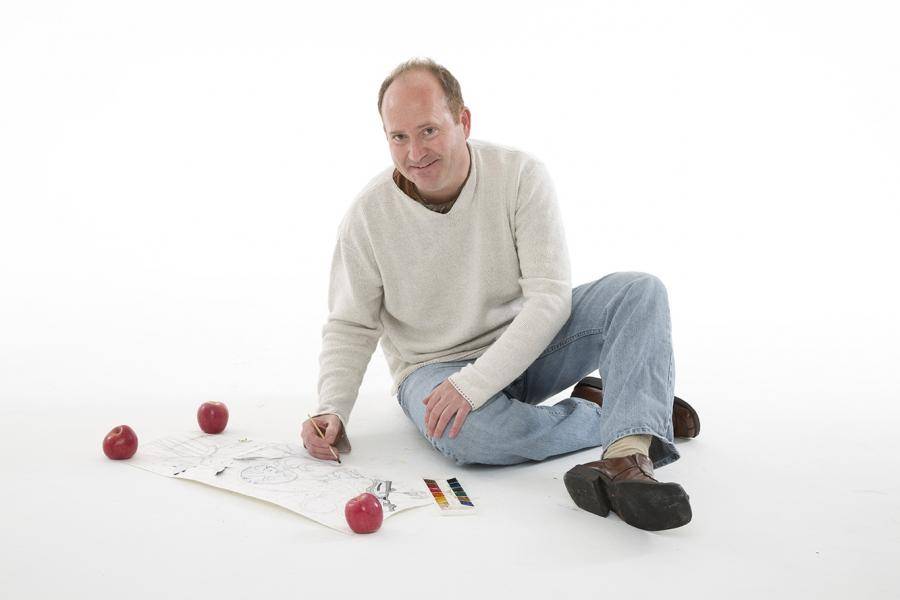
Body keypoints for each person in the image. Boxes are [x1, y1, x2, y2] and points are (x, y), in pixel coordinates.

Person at [300, 57, 700, 531]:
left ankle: (627, 452)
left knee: (639, 290)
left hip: (527, 344)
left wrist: (477, 385)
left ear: (463, 121)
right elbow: (351, 323)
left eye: (428, 130)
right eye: (398, 136)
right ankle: (630, 409)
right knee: (474, 439)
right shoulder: (368, 216)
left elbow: (550, 297)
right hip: (433, 368)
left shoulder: (519, 176)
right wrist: (332, 409)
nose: (414, 153)